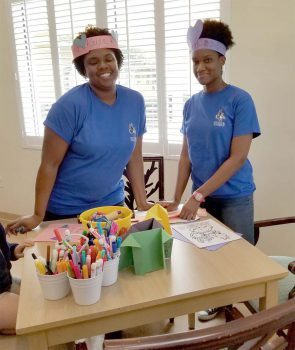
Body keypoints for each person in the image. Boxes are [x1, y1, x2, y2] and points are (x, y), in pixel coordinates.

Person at [6, 26, 153, 235]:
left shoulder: (135, 101)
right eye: (93, 62)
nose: (103, 65)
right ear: (83, 69)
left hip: (112, 207)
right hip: (66, 212)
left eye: (109, 58)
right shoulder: (69, 106)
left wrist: (142, 202)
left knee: (118, 265)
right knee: (74, 266)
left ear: (117, 61)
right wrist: (37, 215)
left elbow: (134, 158)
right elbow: (49, 164)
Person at [161, 19, 261, 321]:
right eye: (195, 61)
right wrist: (177, 199)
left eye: (207, 60)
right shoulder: (191, 104)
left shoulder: (240, 100)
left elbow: (237, 158)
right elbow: (185, 156)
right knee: (206, 257)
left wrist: (199, 195)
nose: (200, 67)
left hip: (234, 197)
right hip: (201, 198)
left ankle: (245, 322)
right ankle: (217, 303)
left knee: (236, 260)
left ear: (222, 60)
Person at [0, 223, 33, 334]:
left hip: (6, 282)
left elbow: (3, 246)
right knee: (34, 317)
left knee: (38, 296)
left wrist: (14, 250)